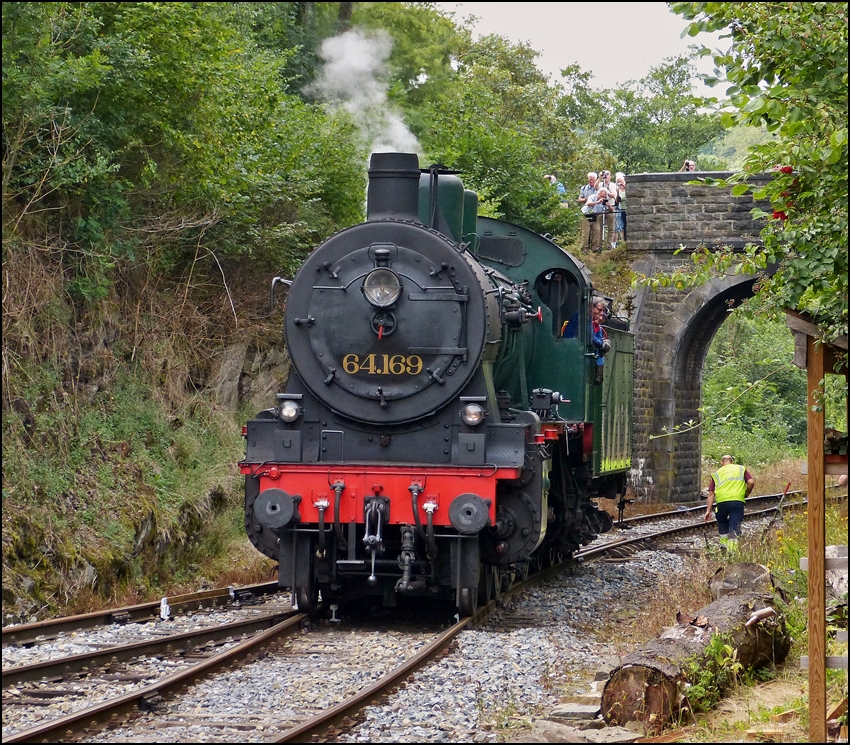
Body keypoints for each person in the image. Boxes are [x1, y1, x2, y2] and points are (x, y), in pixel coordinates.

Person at [703, 454, 755, 539]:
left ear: (721, 463)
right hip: (737, 501)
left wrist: (708, 511)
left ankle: (723, 548)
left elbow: (711, 493)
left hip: (721, 503)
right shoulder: (740, 469)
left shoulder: (717, 473)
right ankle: (732, 550)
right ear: (732, 462)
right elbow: (751, 482)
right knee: (734, 527)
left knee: (722, 524)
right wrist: (746, 493)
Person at [578, 172, 602, 253]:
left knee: (597, 231)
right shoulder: (584, 188)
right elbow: (579, 199)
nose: (590, 181)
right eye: (589, 179)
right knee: (586, 233)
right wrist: (586, 199)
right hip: (586, 213)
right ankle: (584, 249)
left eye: (592, 179)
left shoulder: (598, 188)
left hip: (595, 214)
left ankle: (595, 248)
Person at [597, 170, 617, 249]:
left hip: (610, 206)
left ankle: (609, 244)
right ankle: (600, 244)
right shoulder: (601, 184)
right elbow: (595, 187)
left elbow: (613, 195)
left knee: (611, 227)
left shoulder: (612, 185)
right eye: (605, 175)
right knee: (600, 227)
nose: (606, 177)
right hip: (601, 208)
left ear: (610, 176)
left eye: (607, 175)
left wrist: (606, 190)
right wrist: (600, 178)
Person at [612, 172, 626, 248]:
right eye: (618, 181)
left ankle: (626, 241)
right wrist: (617, 192)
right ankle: (623, 243)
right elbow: (617, 201)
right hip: (620, 210)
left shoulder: (627, 189)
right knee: (621, 227)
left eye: (620, 181)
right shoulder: (617, 190)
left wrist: (624, 187)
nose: (619, 183)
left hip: (627, 210)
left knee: (627, 227)